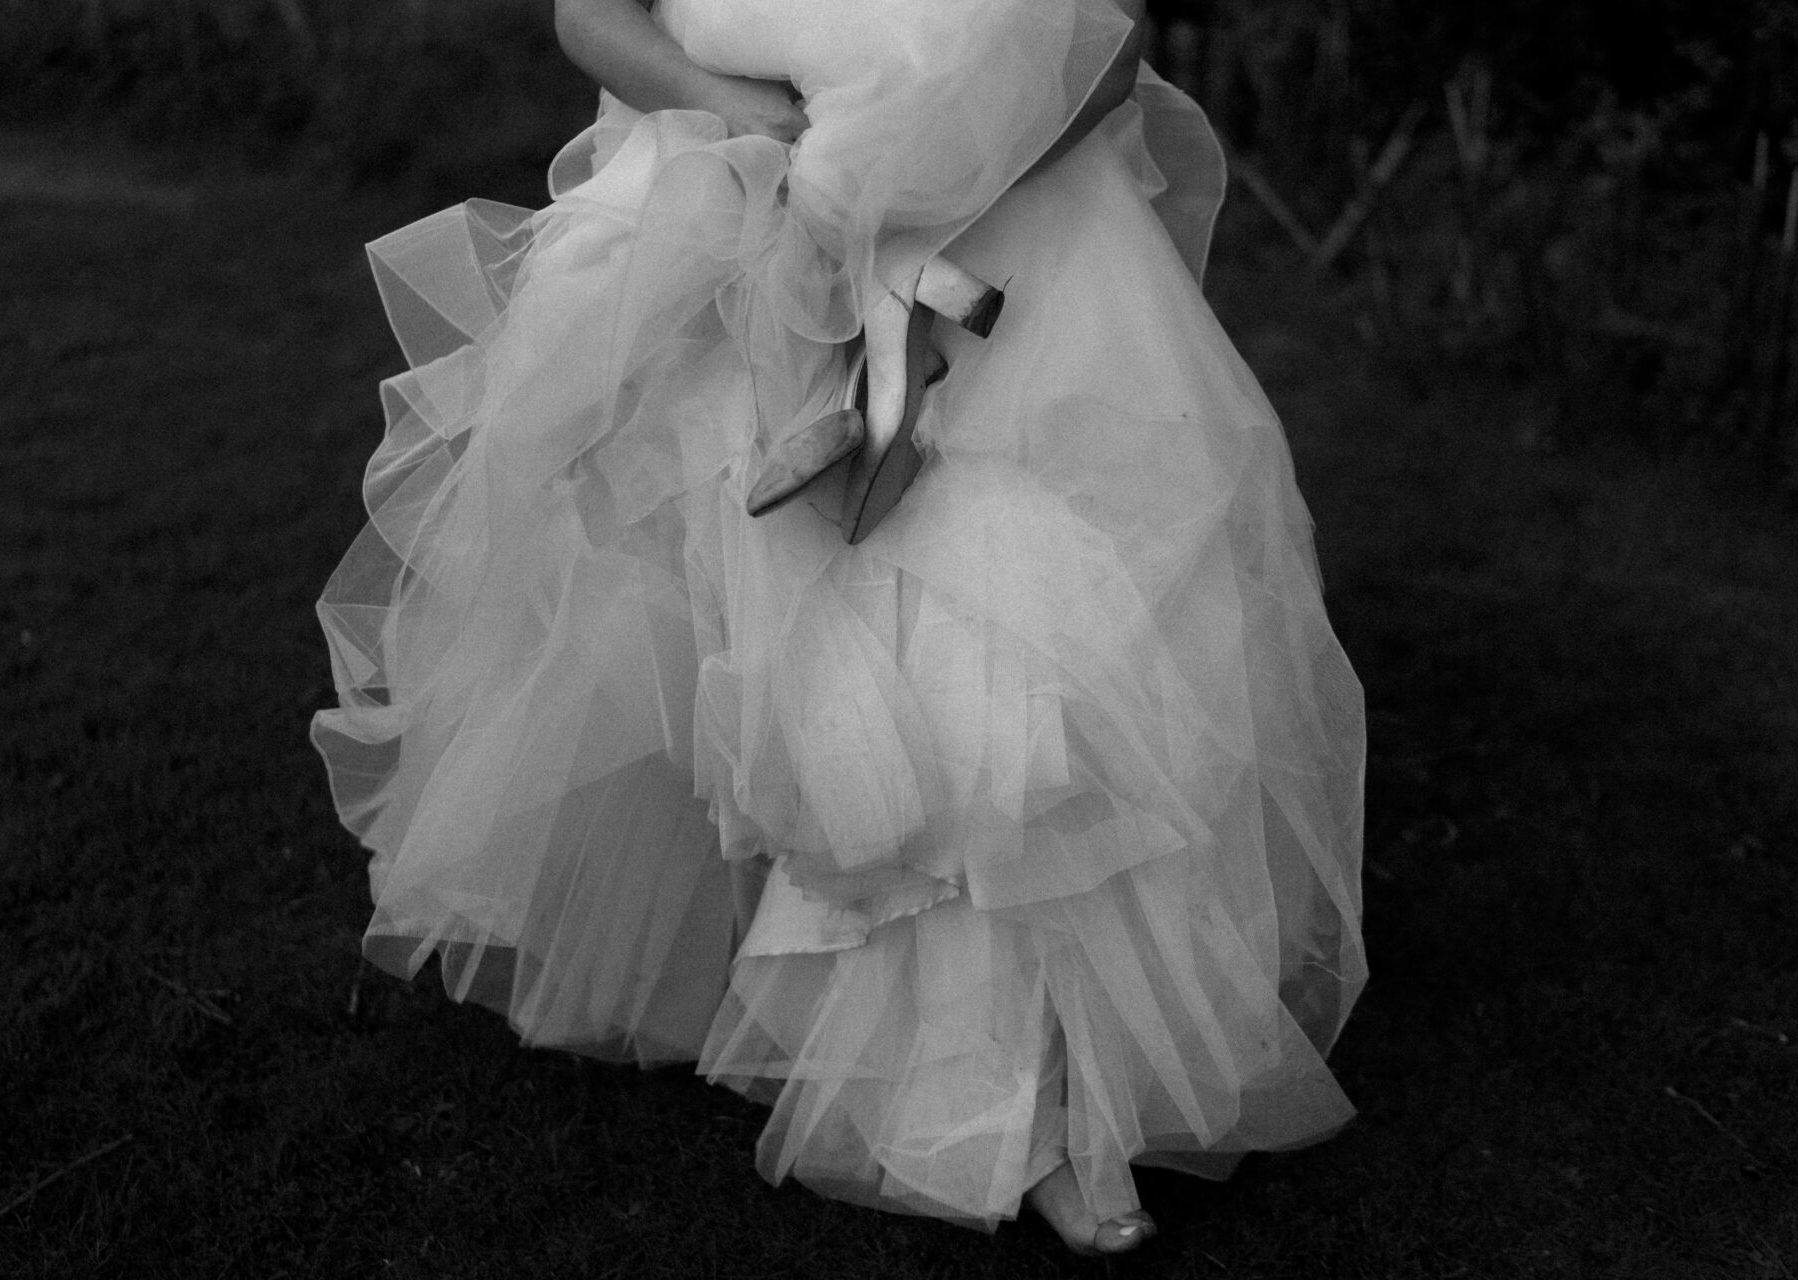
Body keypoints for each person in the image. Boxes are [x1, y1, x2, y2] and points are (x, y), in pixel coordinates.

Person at [312, 0, 1366, 1257]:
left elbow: (1115, 29)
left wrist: (954, 162)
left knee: (1039, 626)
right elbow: (590, 14)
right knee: (789, 615)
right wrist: (776, 138)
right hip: (739, 199)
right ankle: (867, 1027)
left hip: (1017, 221)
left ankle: (1042, 1087)